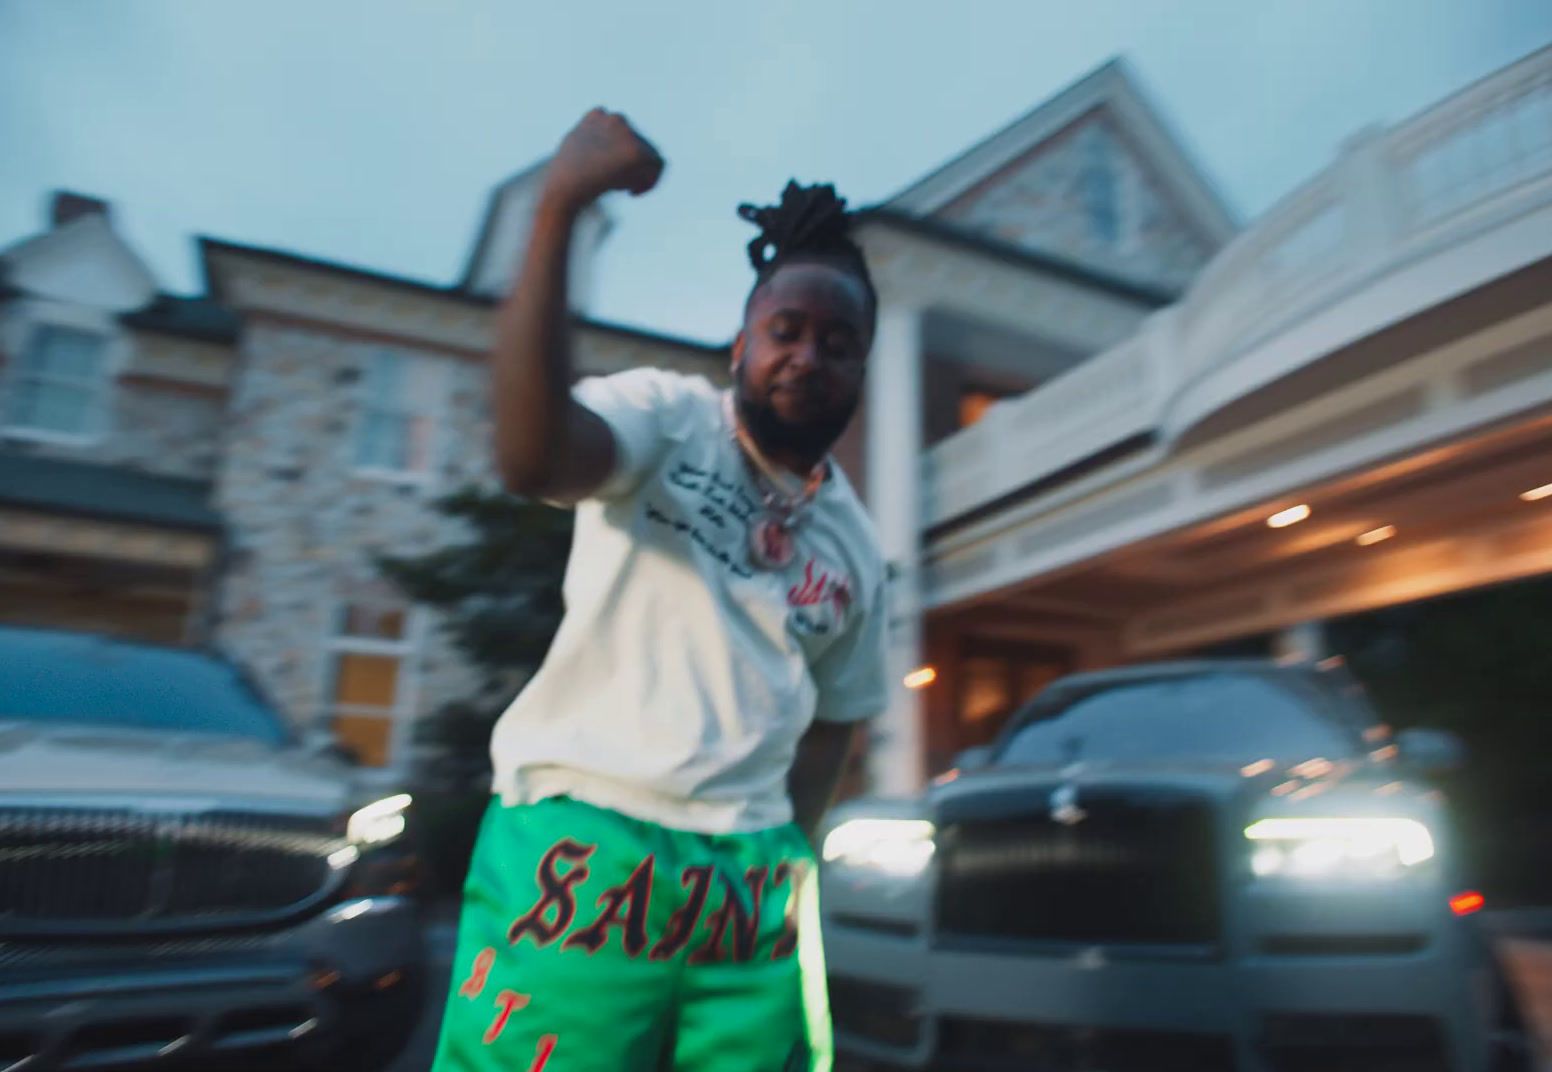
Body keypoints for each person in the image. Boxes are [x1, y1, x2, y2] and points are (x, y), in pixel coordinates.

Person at [429, 108, 887, 1072]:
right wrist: (559, 208)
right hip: (581, 854)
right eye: (786, 331)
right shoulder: (668, 421)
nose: (808, 355)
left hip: (750, 892)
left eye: (838, 342)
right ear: (740, 346)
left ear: (861, 368)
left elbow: (839, 718)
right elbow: (532, 452)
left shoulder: (854, 543)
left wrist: (790, 851)